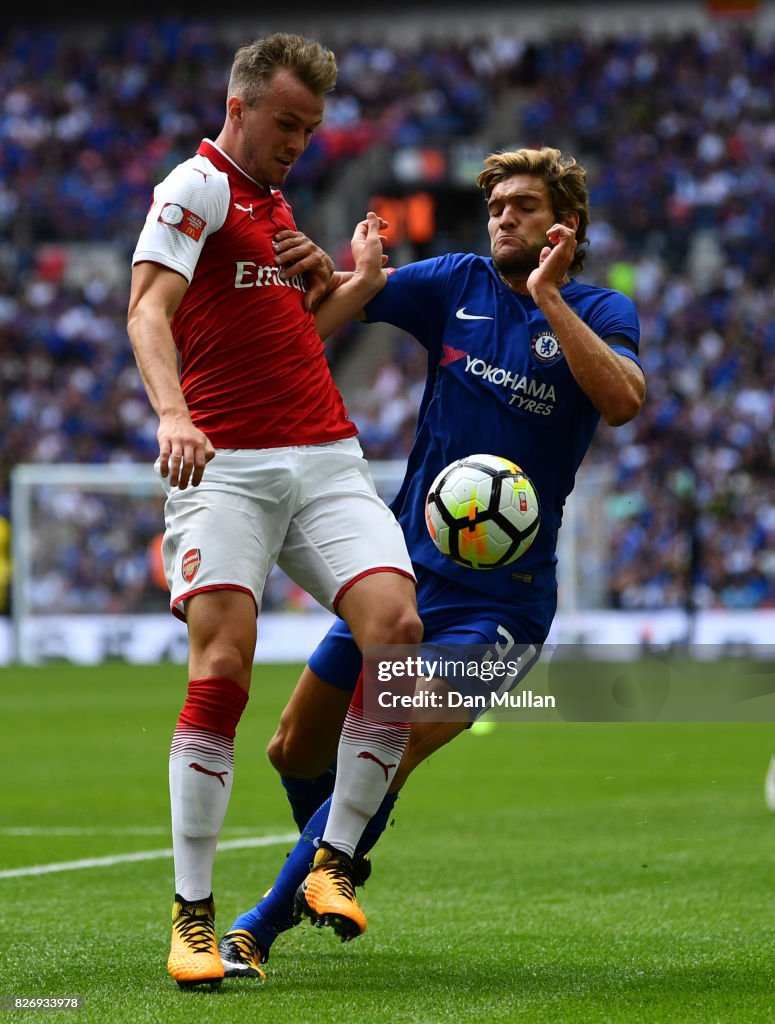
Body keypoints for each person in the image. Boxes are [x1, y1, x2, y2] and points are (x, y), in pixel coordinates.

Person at [216, 145, 647, 978]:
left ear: (565, 225)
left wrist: (549, 296)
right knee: (292, 751)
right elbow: (329, 315)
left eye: (521, 206)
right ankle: (339, 855)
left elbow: (623, 401)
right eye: (495, 208)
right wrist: (345, 275)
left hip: (499, 609)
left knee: (393, 740)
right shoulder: (455, 282)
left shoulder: (599, 308)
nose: (503, 219)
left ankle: (255, 928)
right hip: (403, 579)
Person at [126, 32, 423, 990]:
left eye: (311, 127)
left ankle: (332, 858)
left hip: (325, 457)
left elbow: (296, 338)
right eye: (287, 122)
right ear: (240, 105)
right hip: (229, 467)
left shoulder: (274, 204)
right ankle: (193, 918)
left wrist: (355, 285)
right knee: (223, 667)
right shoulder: (197, 187)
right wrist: (172, 413)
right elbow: (145, 310)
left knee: (398, 629)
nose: (300, 139)